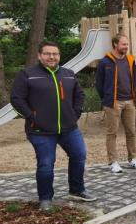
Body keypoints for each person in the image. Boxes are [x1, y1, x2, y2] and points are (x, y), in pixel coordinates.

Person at [10, 41, 97, 211]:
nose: (52, 57)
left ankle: (76, 190)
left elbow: (79, 95)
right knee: (46, 164)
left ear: (59, 56)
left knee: (79, 155)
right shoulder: (27, 74)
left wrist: (75, 114)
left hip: (69, 128)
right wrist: (31, 116)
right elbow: (16, 99)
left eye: (55, 54)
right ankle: (45, 198)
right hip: (40, 130)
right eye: (48, 54)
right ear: (39, 56)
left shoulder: (69, 74)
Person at [95, 33, 136, 173]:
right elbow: (99, 84)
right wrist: (107, 99)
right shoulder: (105, 61)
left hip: (129, 101)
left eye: (127, 44)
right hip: (113, 102)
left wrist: (133, 93)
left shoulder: (130, 59)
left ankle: (133, 159)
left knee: (131, 131)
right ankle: (113, 162)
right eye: (123, 44)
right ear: (115, 44)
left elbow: (134, 78)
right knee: (112, 133)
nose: (126, 47)